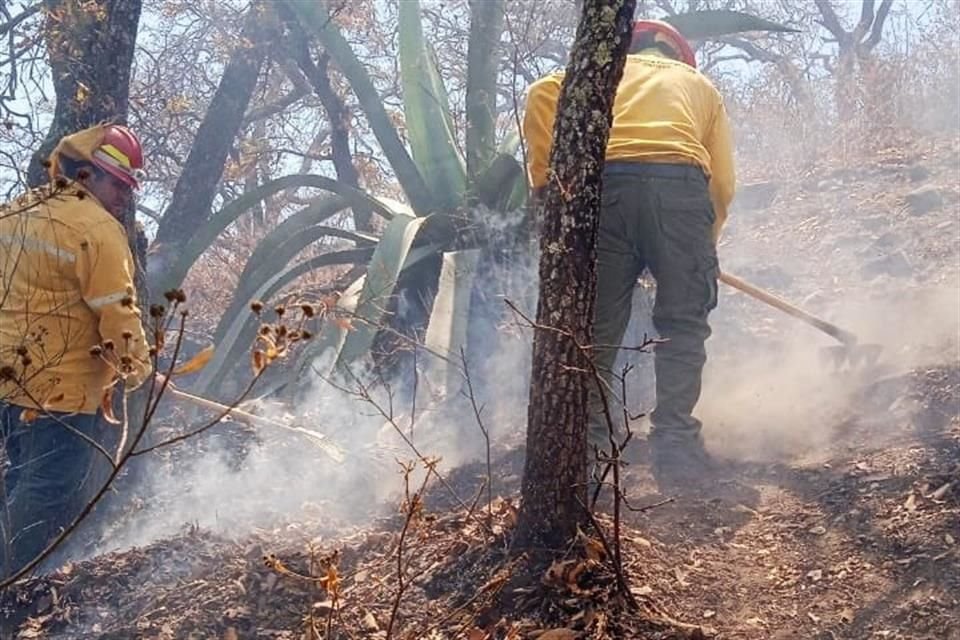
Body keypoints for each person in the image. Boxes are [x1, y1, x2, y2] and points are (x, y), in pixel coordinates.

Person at [522, 20, 736, 489]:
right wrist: (704, 244)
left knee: (597, 332)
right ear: (675, 54)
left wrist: (546, 190)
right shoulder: (698, 86)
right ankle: (675, 444)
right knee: (683, 324)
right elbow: (721, 184)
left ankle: (593, 457)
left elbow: (540, 92)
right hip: (682, 192)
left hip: (606, 192)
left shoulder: (597, 73)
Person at [0, 123, 152, 577]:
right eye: (117, 184)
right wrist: (141, 370)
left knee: (21, 480)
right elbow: (118, 316)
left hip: (11, 383)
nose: (124, 197)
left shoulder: (14, 213)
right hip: (63, 395)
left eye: (128, 188)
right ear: (86, 175)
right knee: (45, 493)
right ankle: (13, 589)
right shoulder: (99, 232)